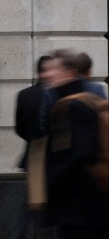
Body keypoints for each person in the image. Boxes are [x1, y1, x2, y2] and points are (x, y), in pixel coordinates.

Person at [42, 49, 109, 238]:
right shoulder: (84, 99)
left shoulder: (73, 106)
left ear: (69, 73)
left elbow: (82, 153)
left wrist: (53, 176)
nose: (47, 74)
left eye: (54, 69)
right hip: (86, 206)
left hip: (81, 208)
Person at [13, 56, 53, 239]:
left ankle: (21, 235)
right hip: (55, 156)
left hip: (34, 154)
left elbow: (19, 128)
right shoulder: (57, 94)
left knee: (31, 202)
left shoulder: (25, 94)